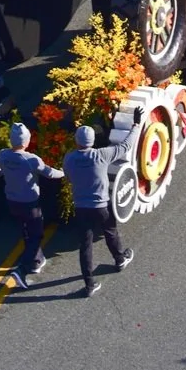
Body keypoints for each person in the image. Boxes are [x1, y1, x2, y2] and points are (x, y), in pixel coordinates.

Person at [62, 125, 133, 296]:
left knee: (85, 245)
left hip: (81, 208)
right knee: (110, 232)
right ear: (92, 141)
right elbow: (125, 146)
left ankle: (89, 283)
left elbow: (68, 177)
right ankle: (119, 259)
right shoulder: (102, 154)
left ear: (77, 141)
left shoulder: (69, 158)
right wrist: (136, 126)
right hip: (101, 206)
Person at [0, 122, 63, 288]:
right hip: (30, 203)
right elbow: (50, 173)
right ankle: (22, 268)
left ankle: (36, 260)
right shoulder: (31, 160)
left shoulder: (3, 155)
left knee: (26, 231)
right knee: (36, 234)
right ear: (26, 141)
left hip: (12, 201)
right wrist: (65, 172)